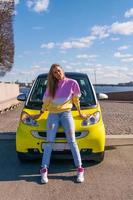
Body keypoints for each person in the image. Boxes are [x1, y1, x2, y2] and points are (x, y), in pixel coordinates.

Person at [31, 64, 89, 184]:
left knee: (72, 141)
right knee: (49, 142)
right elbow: (46, 102)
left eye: (58, 71)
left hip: (66, 113)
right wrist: (40, 114)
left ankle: (80, 169)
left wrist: (80, 113)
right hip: (52, 114)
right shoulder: (51, 86)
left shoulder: (72, 83)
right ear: (52, 75)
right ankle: (44, 169)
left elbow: (75, 100)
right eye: (55, 73)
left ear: (62, 70)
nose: (57, 73)